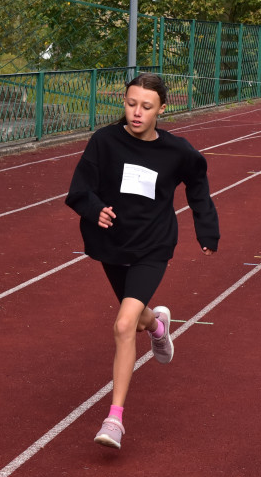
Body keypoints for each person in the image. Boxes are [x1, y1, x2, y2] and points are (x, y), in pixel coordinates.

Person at [66, 73, 220, 450]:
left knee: (122, 325)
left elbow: (198, 183)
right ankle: (157, 325)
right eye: (131, 104)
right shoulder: (104, 142)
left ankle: (114, 419)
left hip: (153, 246)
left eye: (146, 107)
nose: (137, 113)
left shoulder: (176, 151)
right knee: (135, 317)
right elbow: (78, 190)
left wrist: (207, 229)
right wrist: (95, 209)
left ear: (162, 109)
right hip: (113, 245)